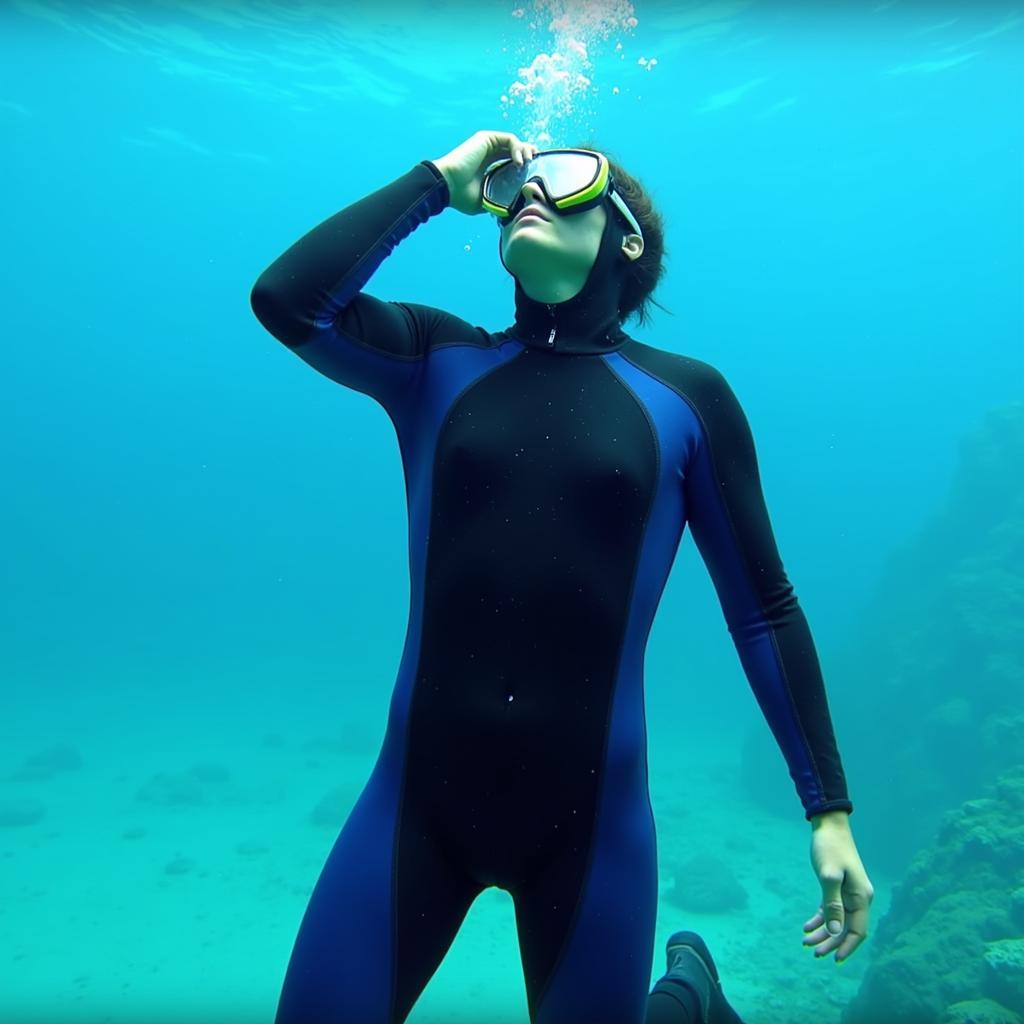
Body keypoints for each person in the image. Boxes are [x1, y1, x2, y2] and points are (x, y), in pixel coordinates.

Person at [249, 130, 874, 1024]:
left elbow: (764, 611)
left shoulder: (687, 399)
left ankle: (687, 995)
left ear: (627, 239)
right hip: (413, 809)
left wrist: (829, 812)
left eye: (570, 179)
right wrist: (437, 183)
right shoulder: (436, 361)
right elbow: (288, 303)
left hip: (589, 828)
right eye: (521, 183)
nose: (534, 191)